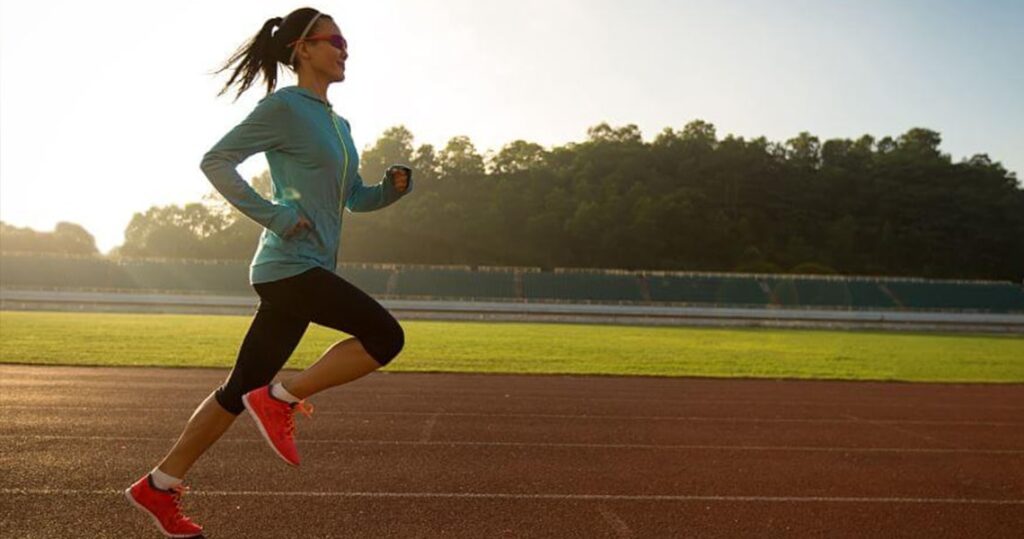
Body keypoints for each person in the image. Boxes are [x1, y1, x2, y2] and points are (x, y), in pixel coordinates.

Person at [124, 7, 413, 537]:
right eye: (335, 40)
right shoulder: (283, 107)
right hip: (287, 265)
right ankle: (281, 398)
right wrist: (276, 214)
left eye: (347, 42)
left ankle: (159, 485)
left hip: (306, 268)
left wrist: (388, 192)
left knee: (238, 390)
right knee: (384, 336)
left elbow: (352, 199)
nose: (344, 49)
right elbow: (216, 161)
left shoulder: (339, 125)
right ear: (302, 48)